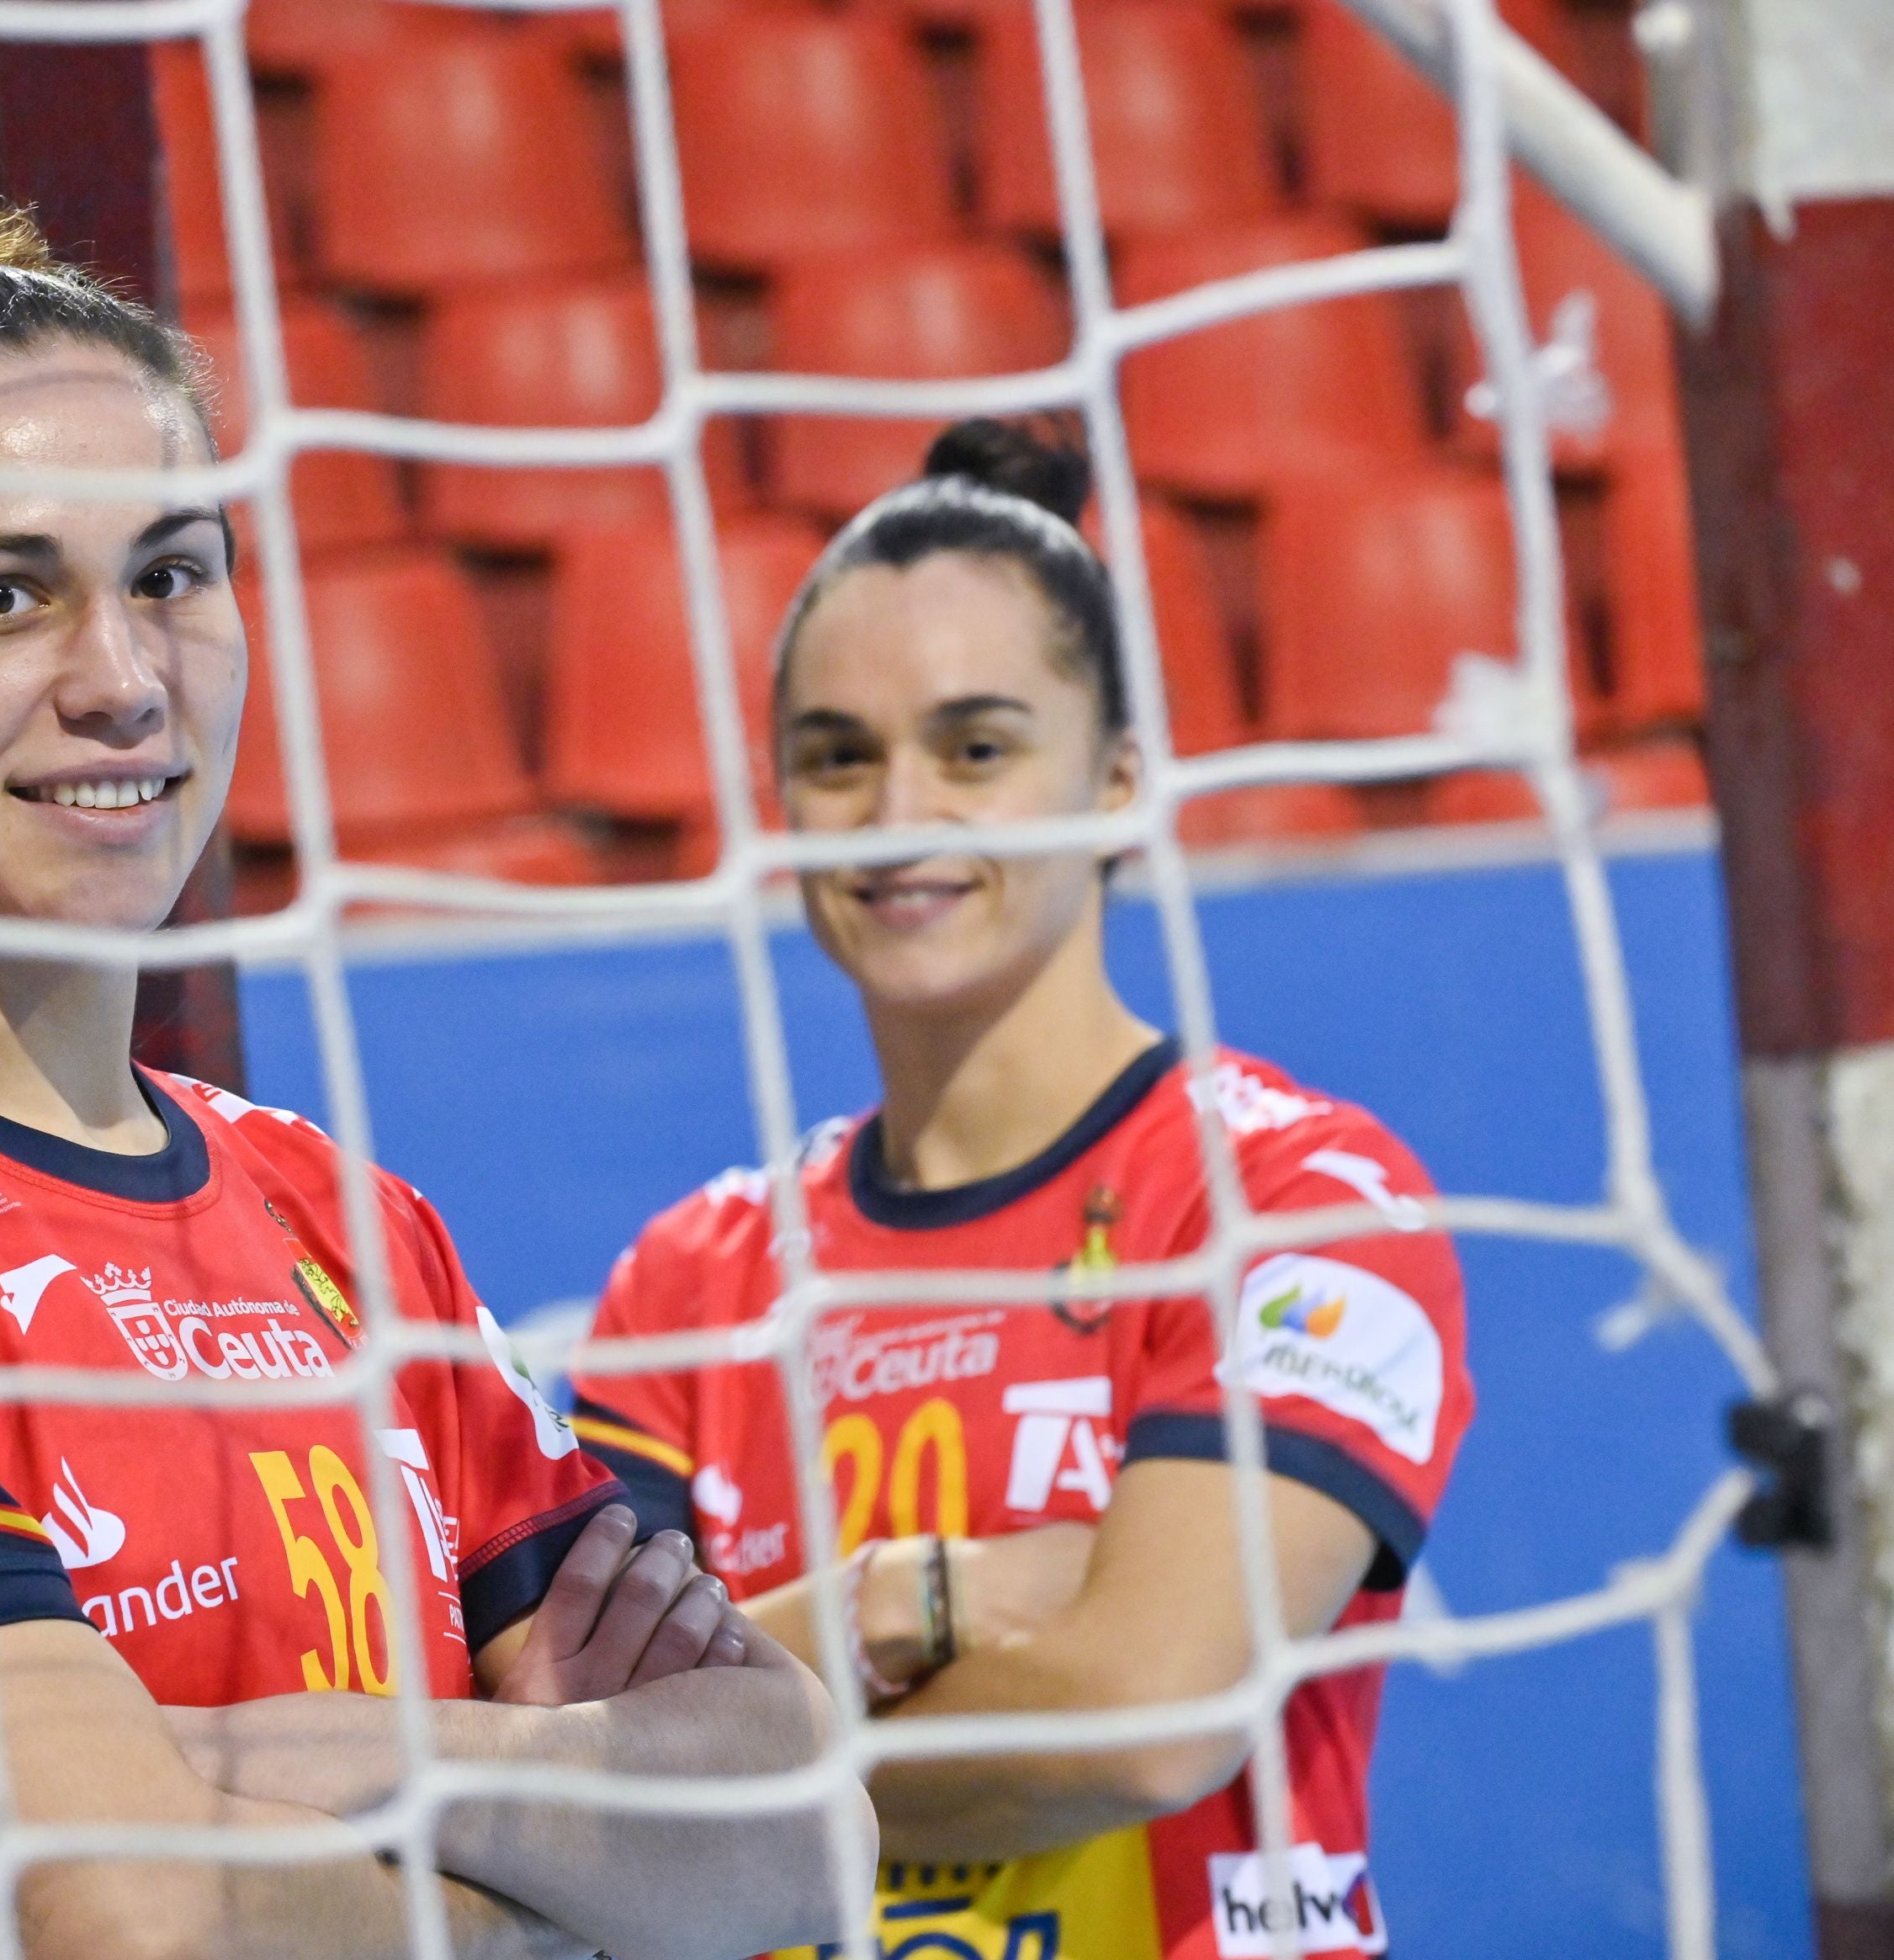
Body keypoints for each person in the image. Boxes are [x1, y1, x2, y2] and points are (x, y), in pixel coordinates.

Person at [0, 114, 871, 1960]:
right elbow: (139, 1917)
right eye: (4, 593)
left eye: (171, 571)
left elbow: (795, 1828)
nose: (121, 677)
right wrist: (554, 1850)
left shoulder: (338, 1212)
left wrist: (268, 1766)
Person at [571, 421, 1473, 1957]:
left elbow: (1146, 1718)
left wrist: (730, 1715)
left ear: (1120, 781)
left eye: (976, 748)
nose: (900, 809)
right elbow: (583, 1751)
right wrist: (918, 1596)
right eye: (840, 756)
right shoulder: (692, 1276)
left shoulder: (1303, 1198)